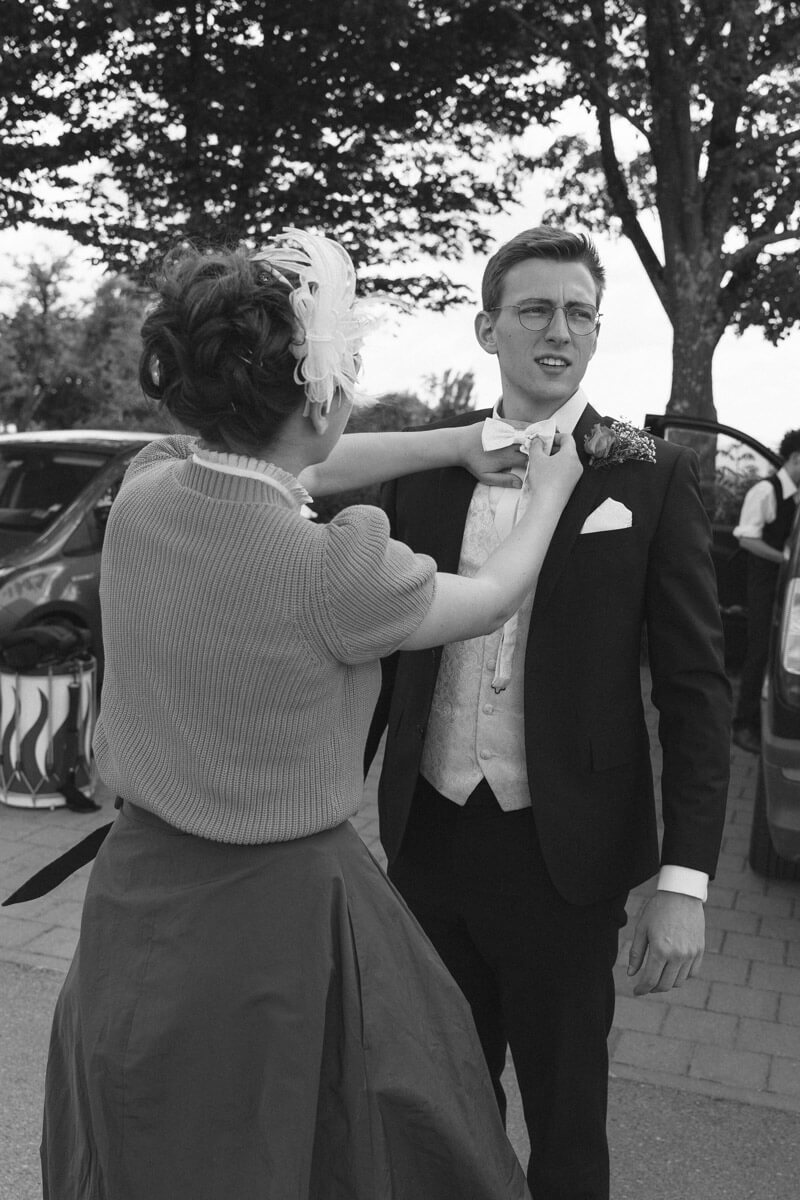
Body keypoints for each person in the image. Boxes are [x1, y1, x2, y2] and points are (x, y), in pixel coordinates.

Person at [40, 229, 582, 1200]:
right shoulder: (333, 572)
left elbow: (292, 468)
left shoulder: (150, 489)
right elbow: (490, 597)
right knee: (294, 1149)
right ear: (320, 395)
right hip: (276, 919)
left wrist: (457, 445)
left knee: (150, 1135)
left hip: (139, 893)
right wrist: (547, 496)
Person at [366, 227, 732, 1200]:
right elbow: (371, 654)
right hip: (426, 839)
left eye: (578, 312)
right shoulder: (427, 469)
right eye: (534, 309)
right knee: (439, 1110)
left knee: (568, 1134)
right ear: (486, 327)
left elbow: (697, 693)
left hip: (564, 860)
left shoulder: (648, 475)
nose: (557, 329)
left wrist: (684, 882)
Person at [731, 428, 800, 754]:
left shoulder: (795, 493)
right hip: (763, 584)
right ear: (796, 458)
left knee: (779, 656)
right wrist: (785, 558)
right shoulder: (765, 491)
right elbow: (746, 539)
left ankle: (768, 719)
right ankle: (742, 726)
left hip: (787, 588)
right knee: (759, 652)